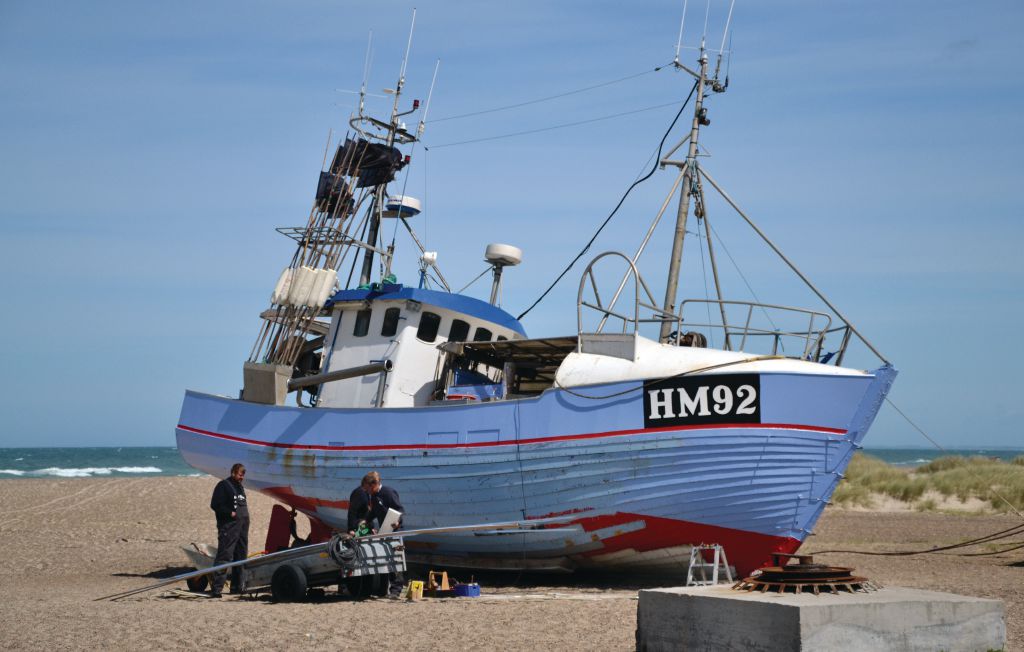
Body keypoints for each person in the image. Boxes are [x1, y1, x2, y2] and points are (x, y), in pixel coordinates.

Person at [209, 463, 249, 598]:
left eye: (243, 475)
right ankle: (216, 589)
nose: (241, 477)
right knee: (225, 556)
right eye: (239, 475)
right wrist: (230, 513)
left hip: (242, 528)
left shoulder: (240, 487)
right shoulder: (223, 485)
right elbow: (215, 505)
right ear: (233, 472)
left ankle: (237, 587)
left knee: (241, 556)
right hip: (229, 527)